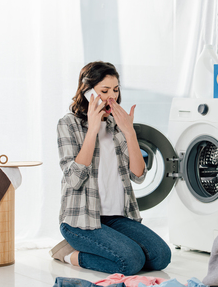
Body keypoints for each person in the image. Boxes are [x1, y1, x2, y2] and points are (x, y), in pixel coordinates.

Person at [49, 61, 171, 275]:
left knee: (161, 256)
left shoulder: (117, 127)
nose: (111, 97)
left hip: (116, 218)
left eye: (115, 90)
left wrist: (130, 133)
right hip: (80, 222)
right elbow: (74, 179)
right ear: (87, 92)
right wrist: (93, 129)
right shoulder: (68, 124)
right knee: (131, 262)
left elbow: (139, 175)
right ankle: (70, 254)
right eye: (104, 90)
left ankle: (109, 245)